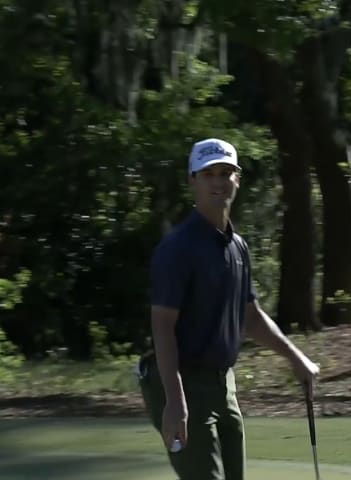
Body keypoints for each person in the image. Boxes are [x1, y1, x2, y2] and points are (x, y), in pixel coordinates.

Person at [137, 138, 320, 480]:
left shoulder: (237, 247)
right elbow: (162, 325)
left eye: (225, 172)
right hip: (182, 384)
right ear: (193, 180)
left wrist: (297, 359)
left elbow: (250, 316)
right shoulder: (178, 248)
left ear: (237, 178)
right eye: (208, 174)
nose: (218, 182)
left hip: (224, 386)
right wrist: (174, 402)